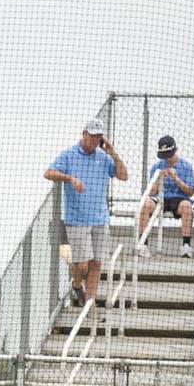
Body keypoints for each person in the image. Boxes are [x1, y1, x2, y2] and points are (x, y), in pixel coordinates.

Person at [45, 118, 129, 305]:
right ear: (84, 134)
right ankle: (76, 284)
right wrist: (70, 178)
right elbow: (48, 173)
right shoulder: (69, 155)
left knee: (97, 262)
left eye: (98, 137)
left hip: (100, 217)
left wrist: (113, 153)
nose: (94, 141)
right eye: (91, 136)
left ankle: (89, 303)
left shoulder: (104, 156)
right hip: (77, 218)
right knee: (82, 264)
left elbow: (124, 176)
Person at [137, 135, 194, 259]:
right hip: (161, 197)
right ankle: (143, 243)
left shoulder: (186, 166)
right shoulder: (157, 166)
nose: (167, 159)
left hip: (179, 198)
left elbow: (191, 191)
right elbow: (150, 192)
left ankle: (186, 245)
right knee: (146, 204)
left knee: (187, 207)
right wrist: (159, 181)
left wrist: (176, 178)